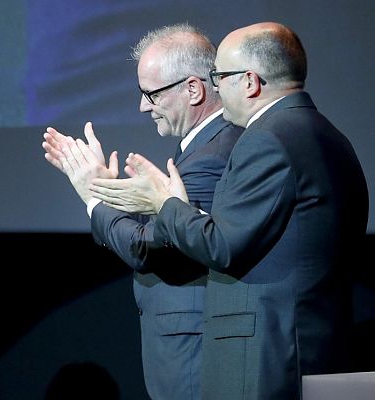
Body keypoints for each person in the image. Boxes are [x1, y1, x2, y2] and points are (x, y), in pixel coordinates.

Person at [90, 22, 369, 399]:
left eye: (220, 76)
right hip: (325, 347)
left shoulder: (267, 139)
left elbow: (222, 245)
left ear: (251, 82)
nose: (215, 87)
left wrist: (165, 203)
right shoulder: (333, 136)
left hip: (275, 356)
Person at [42, 23, 242, 399]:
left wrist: (93, 196)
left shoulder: (211, 158)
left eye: (150, 94)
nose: (142, 105)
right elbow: (165, 232)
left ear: (194, 89)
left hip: (194, 349)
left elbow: (148, 249)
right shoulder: (206, 148)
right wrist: (108, 190)